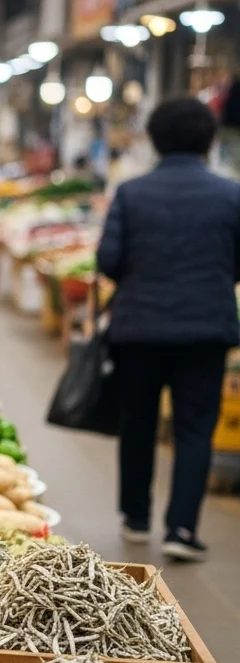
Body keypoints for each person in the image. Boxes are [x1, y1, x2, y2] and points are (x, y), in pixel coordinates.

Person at [97, 97, 240, 561]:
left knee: (137, 419)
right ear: (209, 140)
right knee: (195, 428)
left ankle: (136, 519)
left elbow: (107, 261)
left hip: (139, 327)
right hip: (205, 329)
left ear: (154, 139)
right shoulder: (230, 194)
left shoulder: (132, 192)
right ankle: (181, 528)